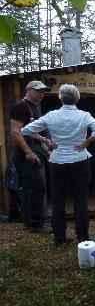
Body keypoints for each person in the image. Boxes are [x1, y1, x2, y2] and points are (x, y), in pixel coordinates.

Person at [21, 84, 95, 245]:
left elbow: (25, 130)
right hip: (80, 160)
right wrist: (86, 142)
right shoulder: (84, 115)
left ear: (60, 98)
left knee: (58, 200)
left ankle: (59, 239)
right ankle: (83, 238)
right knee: (81, 199)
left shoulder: (51, 116)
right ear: (78, 99)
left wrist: (46, 140)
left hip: (57, 161)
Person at [10, 80, 56, 233]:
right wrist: (28, 152)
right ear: (28, 90)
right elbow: (16, 132)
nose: (42, 93)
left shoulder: (34, 108)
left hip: (35, 149)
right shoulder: (21, 106)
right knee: (35, 187)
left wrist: (45, 146)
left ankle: (33, 221)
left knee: (35, 187)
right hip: (25, 153)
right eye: (38, 90)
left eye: (43, 91)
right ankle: (36, 223)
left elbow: (33, 133)